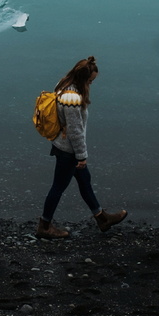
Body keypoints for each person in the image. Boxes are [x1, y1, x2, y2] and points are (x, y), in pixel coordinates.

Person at [37, 56, 127, 239]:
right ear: (83, 78)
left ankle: (102, 218)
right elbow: (75, 131)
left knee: (85, 180)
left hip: (62, 145)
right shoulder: (72, 99)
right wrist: (81, 156)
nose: (91, 84)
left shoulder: (63, 84)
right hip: (68, 150)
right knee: (58, 187)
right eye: (90, 80)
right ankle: (44, 226)